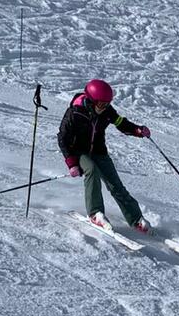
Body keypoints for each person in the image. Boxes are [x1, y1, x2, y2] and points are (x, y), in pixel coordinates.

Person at [58, 78, 152, 233]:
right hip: (78, 152)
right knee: (92, 170)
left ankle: (136, 219)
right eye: (102, 104)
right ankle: (95, 214)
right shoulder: (75, 113)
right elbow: (63, 138)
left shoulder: (106, 110)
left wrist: (137, 130)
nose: (105, 107)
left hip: (98, 151)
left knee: (115, 184)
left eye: (107, 104)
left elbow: (120, 122)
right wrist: (72, 163)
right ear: (91, 101)